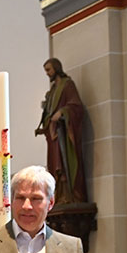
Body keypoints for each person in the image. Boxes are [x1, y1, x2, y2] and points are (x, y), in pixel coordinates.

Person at [34, 58, 87, 205]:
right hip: (53, 136)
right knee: (54, 166)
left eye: (49, 70)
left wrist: (63, 112)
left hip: (63, 134)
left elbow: (76, 107)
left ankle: (69, 196)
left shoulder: (67, 85)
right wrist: (43, 127)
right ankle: (59, 196)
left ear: (56, 68)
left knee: (63, 165)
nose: (47, 74)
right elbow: (48, 114)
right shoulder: (52, 91)